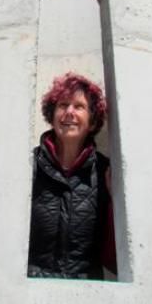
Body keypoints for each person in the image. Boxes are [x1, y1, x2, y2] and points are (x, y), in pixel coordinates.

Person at [28, 72, 117, 280]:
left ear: (93, 122)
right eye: (62, 105)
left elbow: (114, 259)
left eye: (79, 106)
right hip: (31, 295)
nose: (69, 112)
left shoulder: (106, 172)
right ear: (52, 116)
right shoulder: (29, 165)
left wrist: (114, 201)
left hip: (87, 296)